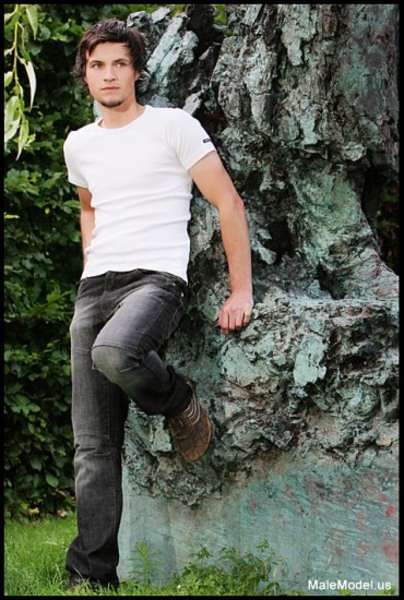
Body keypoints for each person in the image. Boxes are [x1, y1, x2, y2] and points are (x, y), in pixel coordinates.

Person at [63, 18, 253, 591]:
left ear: (137, 72)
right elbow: (89, 207)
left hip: (156, 281)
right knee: (92, 447)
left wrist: (241, 289)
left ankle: (178, 400)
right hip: (94, 287)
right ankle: (92, 576)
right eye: (98, 65)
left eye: (119, 64)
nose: (108, 75)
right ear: (85, 74)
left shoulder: (173, 126)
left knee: (116, 352)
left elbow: (228, 203)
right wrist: (90, 264)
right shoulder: (79, 143)